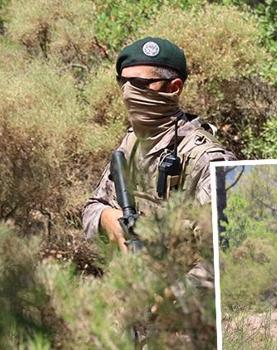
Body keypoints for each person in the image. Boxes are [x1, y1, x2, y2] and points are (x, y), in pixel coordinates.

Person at [82, 37, 235, 279]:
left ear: (173, 87)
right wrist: (107, 219)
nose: (127, 93)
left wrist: (174, 295)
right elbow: (92, 206)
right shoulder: (131, 144)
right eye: (123, 82)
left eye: (139, 84)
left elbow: (224, 255)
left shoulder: (207, 159)